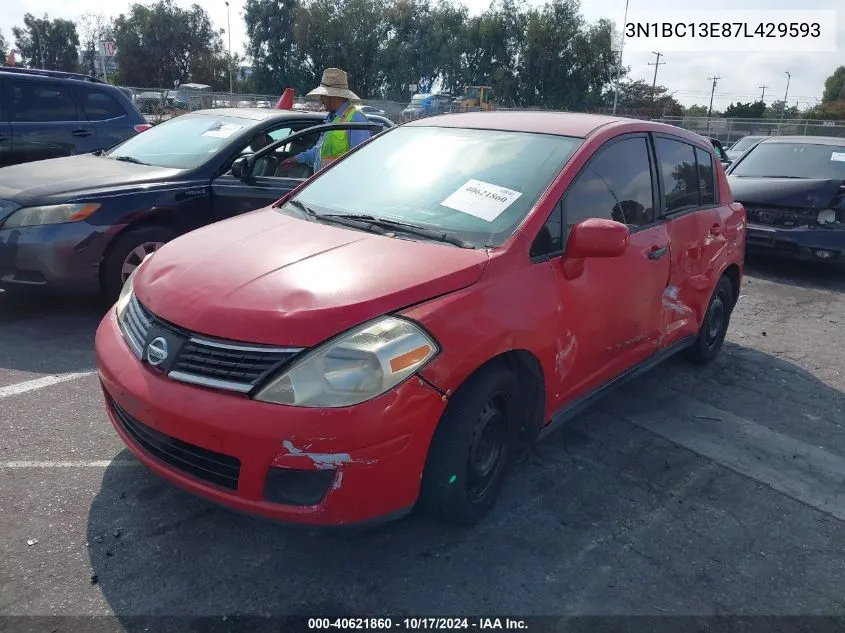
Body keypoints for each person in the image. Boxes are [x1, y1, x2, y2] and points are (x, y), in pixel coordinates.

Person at [281, 68, 371, 173]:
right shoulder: (331, 119)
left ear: (332, 96)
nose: (321, 99)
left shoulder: (355, 119)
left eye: (323, 95)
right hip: (326, 185)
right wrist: (297, 159)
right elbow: (319, 152)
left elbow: (360, 161)